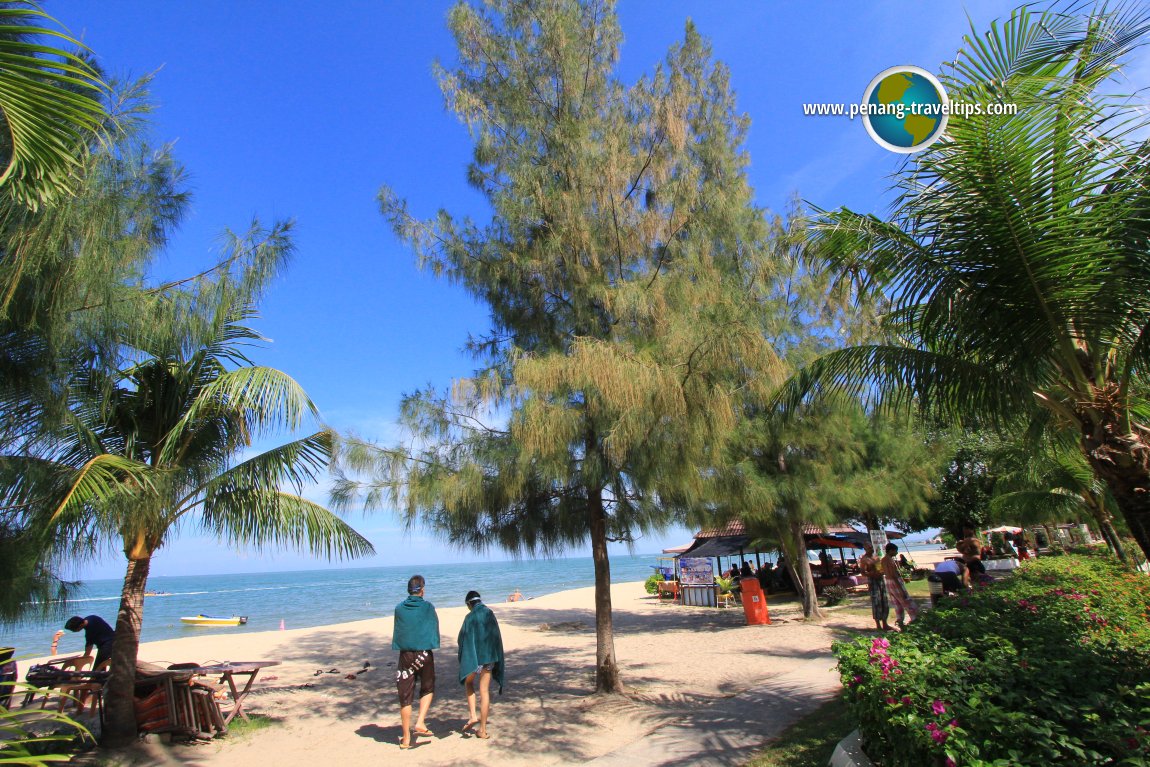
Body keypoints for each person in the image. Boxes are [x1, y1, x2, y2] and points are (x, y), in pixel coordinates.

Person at [393, 574, 440, 749]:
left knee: (405, 695)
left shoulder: (399, 608)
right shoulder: (428, 607)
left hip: (406, 654)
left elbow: (400, 630)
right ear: (422, 589)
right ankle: (420, 721)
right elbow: (433, 626)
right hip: (424, 654)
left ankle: (406, 738)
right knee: (427, 687)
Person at [457, 591, 504, 740]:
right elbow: (496, 635)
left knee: (468, 682)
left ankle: (472, 715)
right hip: (489, 658)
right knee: (485, 692)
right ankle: (482, 730)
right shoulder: (489, 613)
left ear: (469, 604)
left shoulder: (469, 617)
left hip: (474, 658)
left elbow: (461, 638)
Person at [881, 543, 919, 628]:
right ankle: (914, 619)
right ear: (891, 550)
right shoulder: (890, 560)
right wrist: (900, 588)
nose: (896, 553)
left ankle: (900, 621)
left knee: (897, 603)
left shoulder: (883, 560)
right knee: (906, 601)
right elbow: (893, 575)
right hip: (894, 581)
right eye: (895, 551)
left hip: (888, 581)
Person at [858, 544, 892, 631]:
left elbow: (881, 568)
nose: (871, 549)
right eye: (869, 548)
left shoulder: (876, 557)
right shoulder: (864, 559)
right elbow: (863, 572)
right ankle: (878, 624)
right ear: (865, 548)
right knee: (876, 601)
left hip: (880, 579)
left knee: (884, 601)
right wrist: (872, 573)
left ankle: (885, 623)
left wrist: (882, 571)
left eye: (871, 547)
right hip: (873, 581)